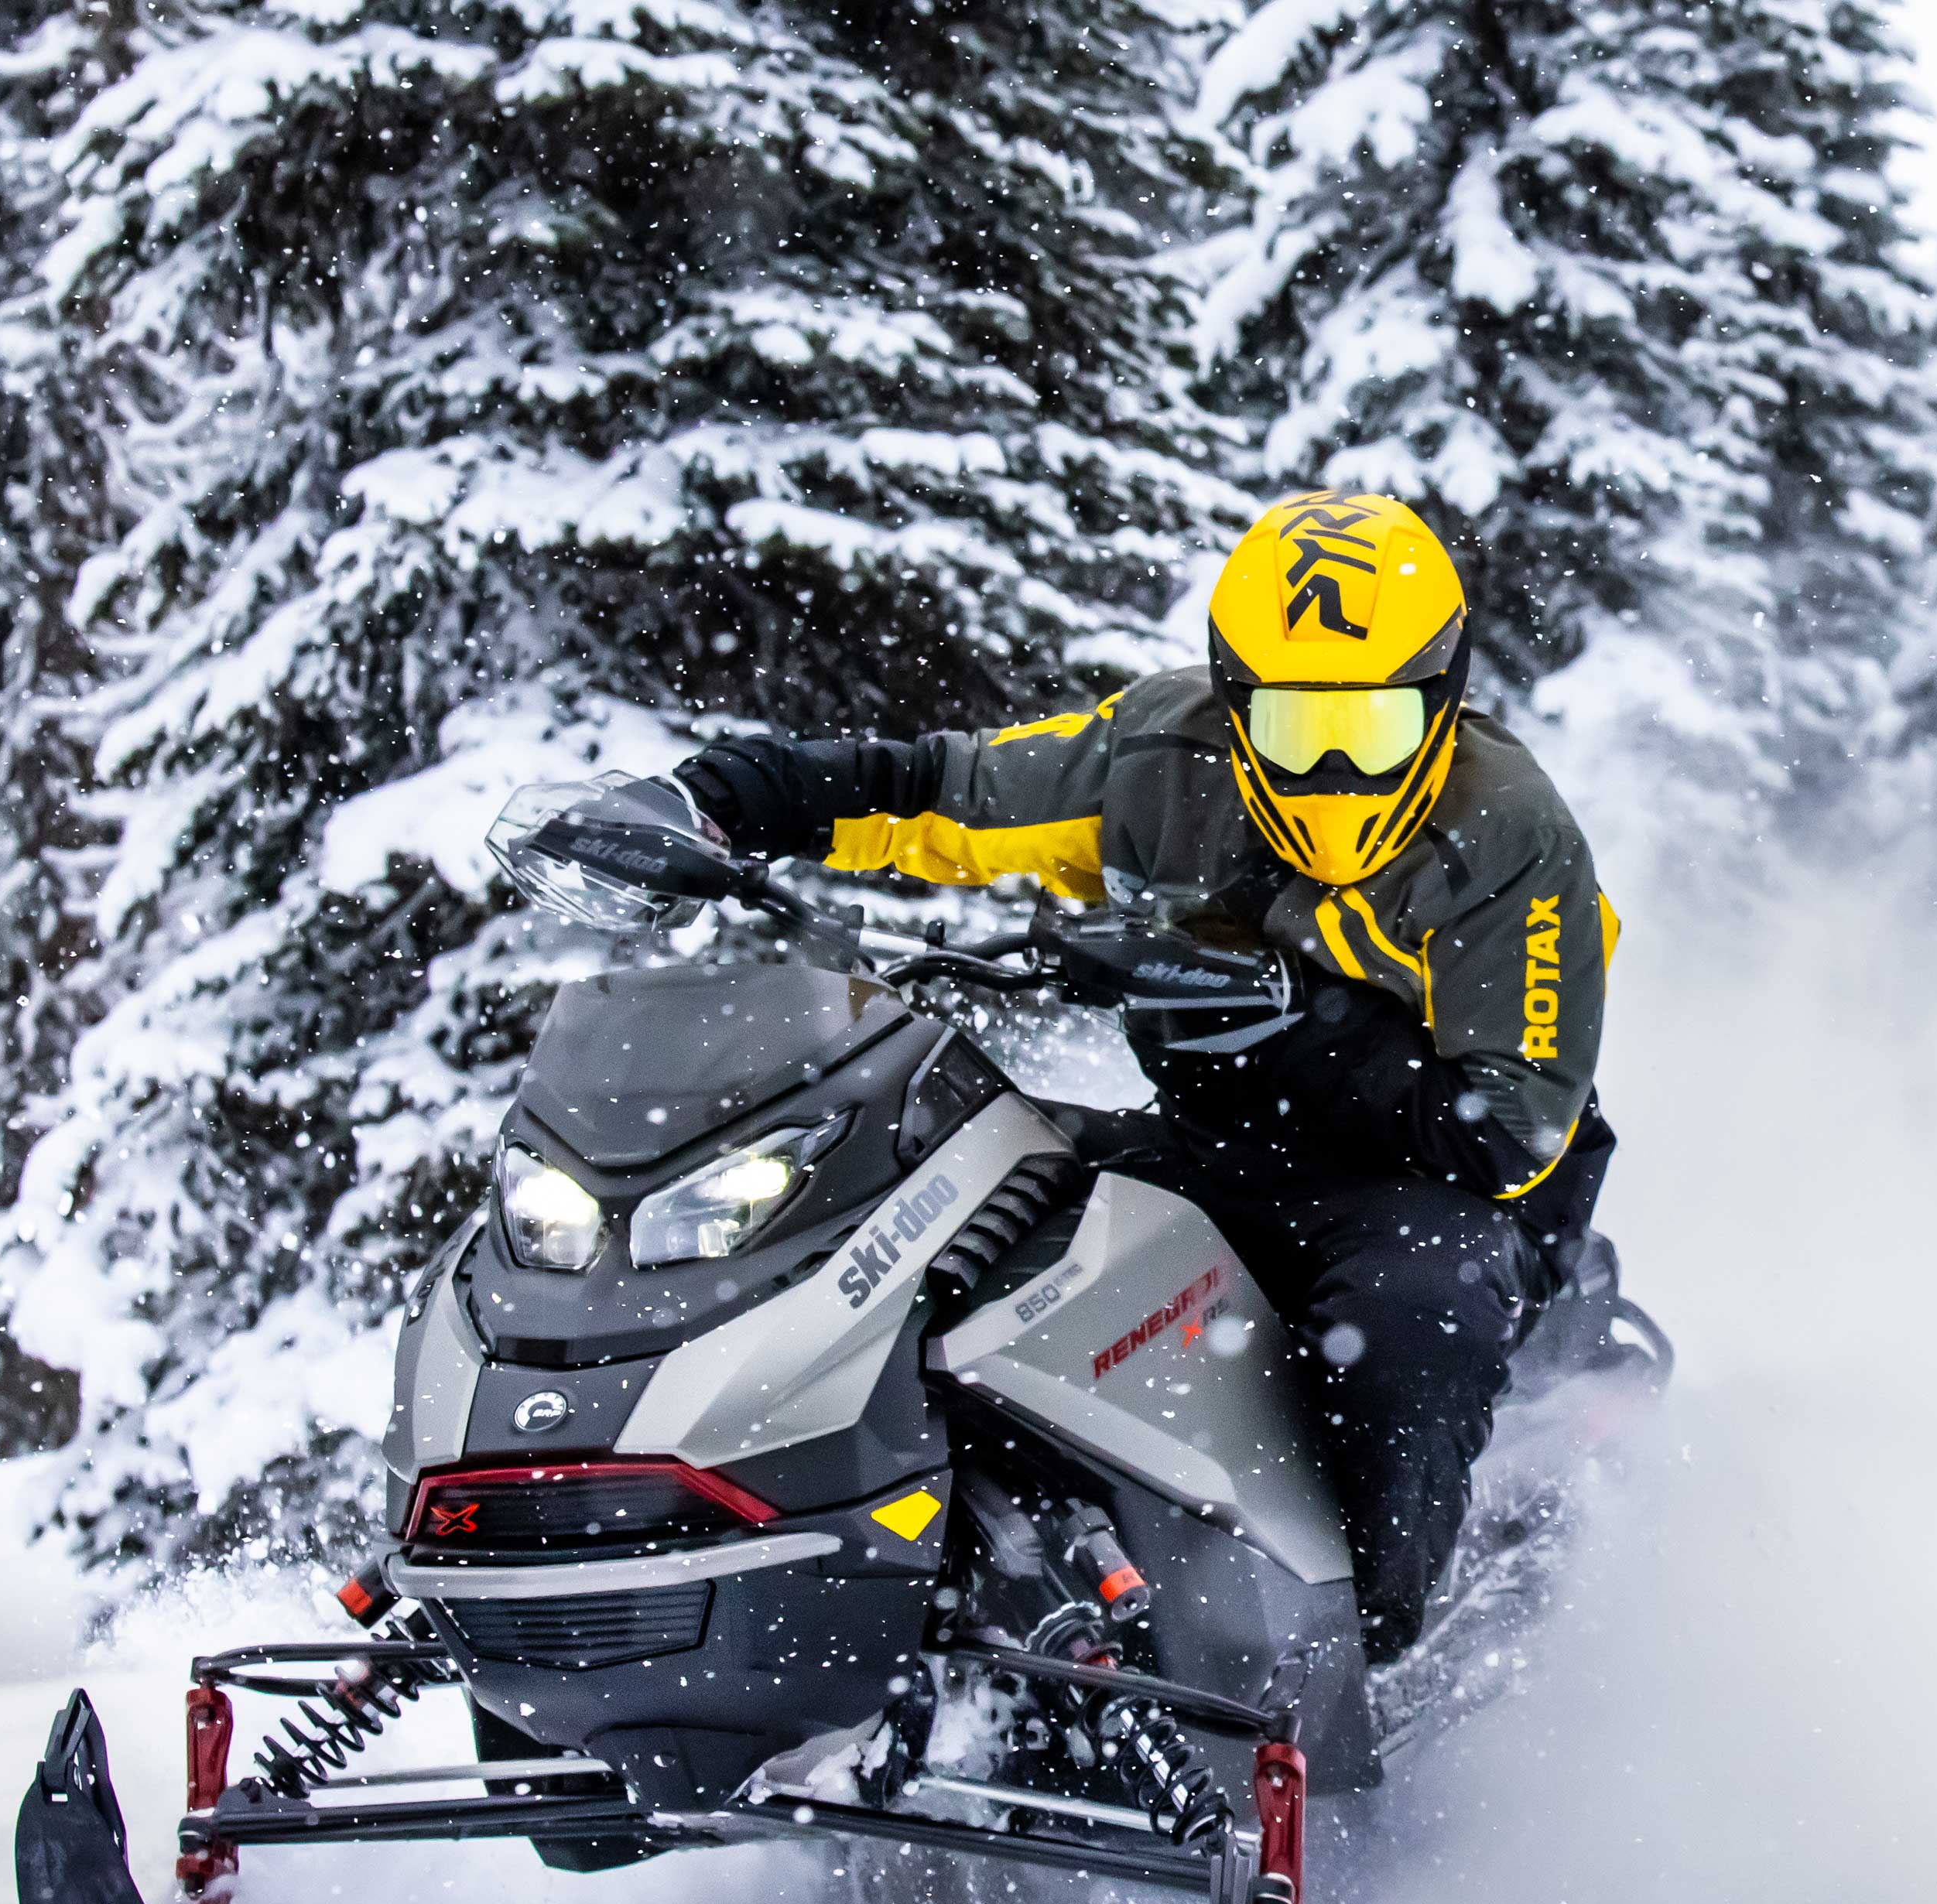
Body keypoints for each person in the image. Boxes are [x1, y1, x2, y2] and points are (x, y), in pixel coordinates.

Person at [669, 492, 1620, 1664]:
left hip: (1442, 1188)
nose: (1331, 774)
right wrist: (734, 800)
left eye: (1369, 732)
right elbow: (945, 792)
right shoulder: (1160, 760)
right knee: (933, 1188)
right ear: (1231, 700)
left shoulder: (1509, 836)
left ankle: (1366, 1656)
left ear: (1440, 700)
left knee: (1412, 1312)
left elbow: (1510, 1127)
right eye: (1289, 726)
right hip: (1221, 1144)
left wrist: (1293, 1016)